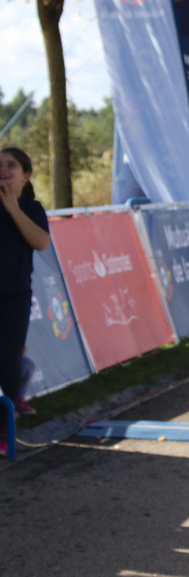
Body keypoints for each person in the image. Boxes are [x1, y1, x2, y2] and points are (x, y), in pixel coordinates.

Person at [0, 147, 51, 455]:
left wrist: (12, 208)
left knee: (8, 365)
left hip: (15, 299)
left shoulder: (31, 208)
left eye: (11, 165)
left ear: (25, 174)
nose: (4, 169)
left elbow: (41, 242)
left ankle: (7, 429)